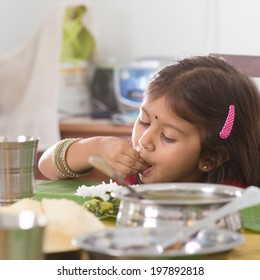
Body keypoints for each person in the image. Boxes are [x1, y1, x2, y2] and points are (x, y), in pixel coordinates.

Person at [38, 55, 260, 188]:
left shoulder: (232, 201)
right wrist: (96, 147)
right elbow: (46, 166)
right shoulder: (133, 173)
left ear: (211, 157)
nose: (144, 141)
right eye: (143, 121)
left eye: (168, 137)